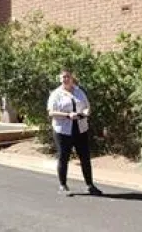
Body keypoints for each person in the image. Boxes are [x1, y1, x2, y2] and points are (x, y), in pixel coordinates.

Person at [47, 68, 102, 196]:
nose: (66, 79)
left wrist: (86, 112)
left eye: (68, 77)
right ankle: (63, 185)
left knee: (85, 157)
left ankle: (90, 185)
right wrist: (67, 115)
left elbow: (87, 106)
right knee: (63, 157)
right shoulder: (56, 94)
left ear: (72, 78)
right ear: (60, 79)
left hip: (80, 129)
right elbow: (51, 112)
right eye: (63, 77)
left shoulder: (79, 91)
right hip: (63, 130)